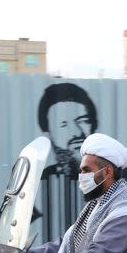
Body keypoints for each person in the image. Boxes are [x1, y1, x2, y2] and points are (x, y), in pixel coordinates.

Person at [35, 83, 100, 240]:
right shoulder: (42, 179)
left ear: (93, 125)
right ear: (48, 132)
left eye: (83, 121)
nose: (77, 132)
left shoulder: (113, 177)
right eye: (63, 124)